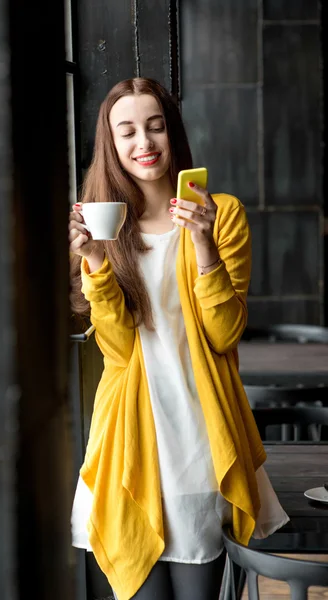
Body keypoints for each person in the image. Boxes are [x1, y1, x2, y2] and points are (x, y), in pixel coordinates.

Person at [69, 78, 288, 600]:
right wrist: (96, 264)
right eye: (128, 132)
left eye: (155, 126)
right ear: (112, 146)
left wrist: (203, 244)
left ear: (173, 133)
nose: (144, 142)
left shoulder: (222, 214)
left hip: (197, 439)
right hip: (131, 439)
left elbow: (223, 334)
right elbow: (120, 351)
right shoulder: (107, 228)